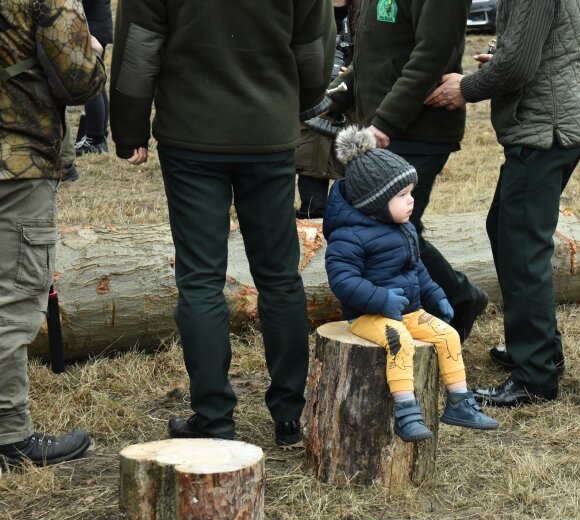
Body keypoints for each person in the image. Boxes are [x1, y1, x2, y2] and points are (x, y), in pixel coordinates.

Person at [110, 0, 330, 447]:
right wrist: (296, 101)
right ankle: (290, 415)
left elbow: (137, 51)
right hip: (267, 133)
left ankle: (214, 419)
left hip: (192, 135)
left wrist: (129, 126)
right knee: (278, 277)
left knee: (200, 281)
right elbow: (314, 50)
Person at [424, 0, 580, 406]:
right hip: (553, 123)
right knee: (503, 227)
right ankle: (540, 350)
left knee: (521, 247)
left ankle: (535, 376)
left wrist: (464, 88)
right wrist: (501, 57)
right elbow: (540, 45)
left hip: (543, 130)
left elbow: (519, 67)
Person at [325, 0, 489, 343]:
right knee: (387, 227)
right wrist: (333, 99)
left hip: (417, 129)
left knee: (397, 228)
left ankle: (457, 300)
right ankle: (415, 307)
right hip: (385, 125)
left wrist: (385, 123)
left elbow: (431, 55)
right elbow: (376, 57)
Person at [323, 127, 498, 442]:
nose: (411, 201)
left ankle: (459, 402)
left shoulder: (403, 229)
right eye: (401, 196)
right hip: (367, 315)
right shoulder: (348, 236)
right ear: (375, 202)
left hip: (408, 309)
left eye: (411, 193)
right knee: (399, 340)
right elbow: (343, 280)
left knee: (447, 336)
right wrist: (380, 300)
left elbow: (417, 269)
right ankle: (406, 411)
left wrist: (437, 296)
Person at [0, 0, 105, 467]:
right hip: (15, 162)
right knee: (13, 299)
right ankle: (8, 435)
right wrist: (95, 51)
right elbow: (80, 78)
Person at [295, 0, 356, 219]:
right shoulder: (306, 8)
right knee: (312, 205)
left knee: (349, 202)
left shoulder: (364, 11)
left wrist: (350, 72)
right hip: (312, 112)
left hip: (351, 112)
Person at [74, 0, 113, 155]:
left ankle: (95, 138)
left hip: (93, 29)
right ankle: (98, 135)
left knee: (90, 82)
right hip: (97, 26)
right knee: (96, 82)